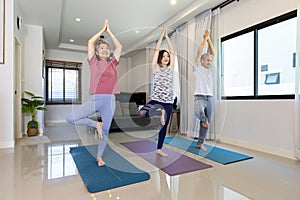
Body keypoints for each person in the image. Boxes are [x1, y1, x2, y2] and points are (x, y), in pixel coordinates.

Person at [66, 19, 122, 166]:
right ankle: (95, 125)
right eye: (101, 48)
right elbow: (91, 41)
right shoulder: (93, 62)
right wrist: (102, 29)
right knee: (71, 118)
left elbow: (119, 47)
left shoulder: (113, 63)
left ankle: (99, 156)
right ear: (97, 52)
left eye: (106, 48)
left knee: (106, 131)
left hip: (109, 101)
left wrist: (109, 32)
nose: (104, 50)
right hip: (96, 99)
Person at [139, 25, 175, 157]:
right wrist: (162, 36)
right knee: (142, 113)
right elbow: (156, 50)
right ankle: (160, 111)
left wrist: (167, 37)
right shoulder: (155, 68)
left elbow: (173, 52)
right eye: (163, 56)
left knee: (164, 126)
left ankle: (159, 149)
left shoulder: (171, 68)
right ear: (160, 58)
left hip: (168, 101)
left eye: (167, 56)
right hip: (156, 99)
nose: (166, 57)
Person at [193, 29, 215, 151]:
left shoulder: (209, 70)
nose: (210, 62)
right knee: (198, 112)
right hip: (199, 96)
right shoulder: (197, 68)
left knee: (206, 123)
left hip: (209, 97)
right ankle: (203, 119)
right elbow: (200, 51)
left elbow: (213, 53)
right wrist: (205, 39)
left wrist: (209, 38)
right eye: (207, 60)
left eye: (210, 61)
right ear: (201, 61)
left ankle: (200, 143)